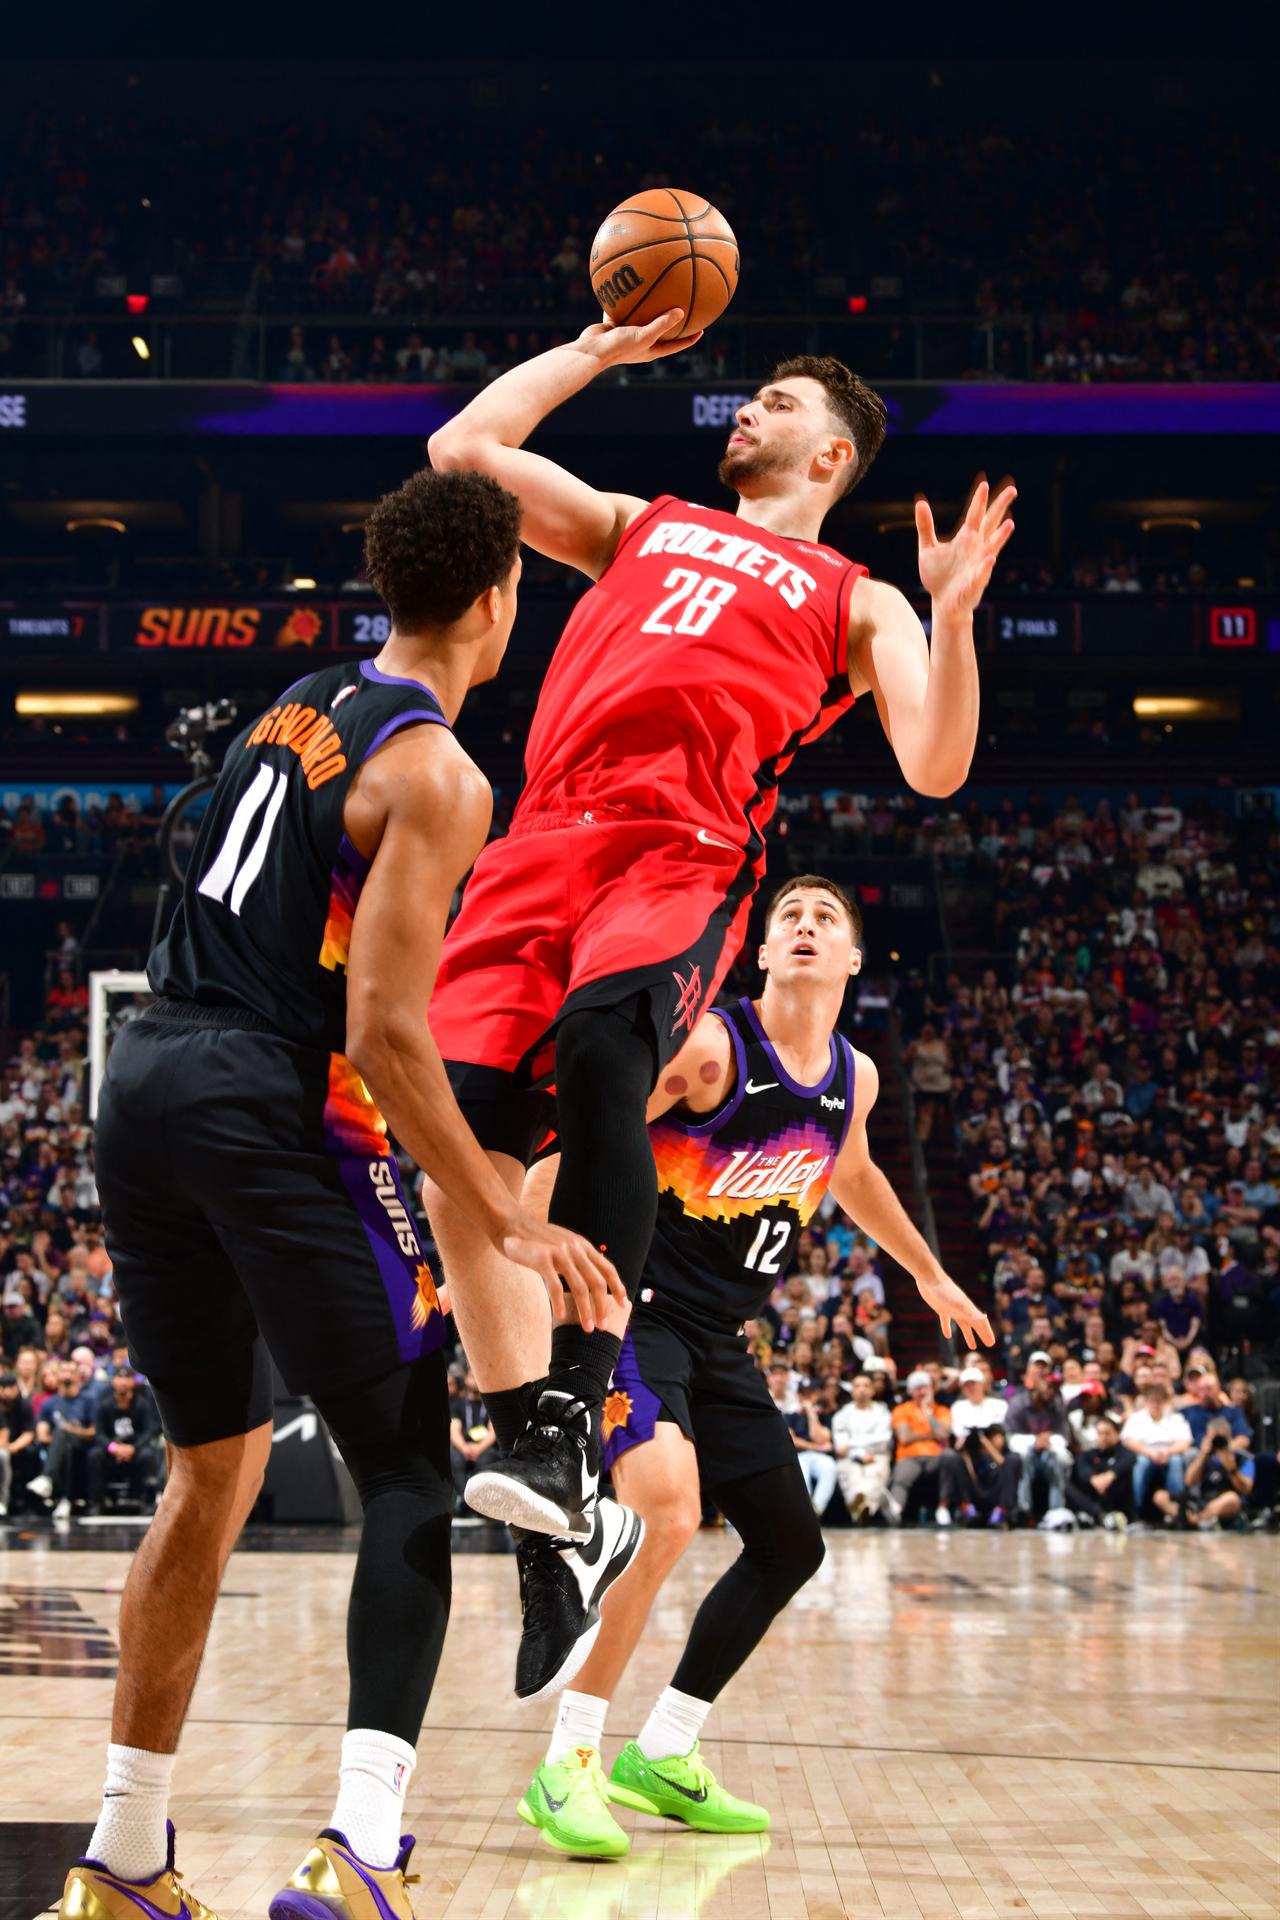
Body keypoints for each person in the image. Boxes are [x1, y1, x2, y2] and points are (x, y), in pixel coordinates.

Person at [56, 470, 630, 1920]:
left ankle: (125, 1859)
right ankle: (361, 1847)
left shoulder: (299, 700)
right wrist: (502, 1213)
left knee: (211, 1469)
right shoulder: (438, 772)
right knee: (408, 1476)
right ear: (501, 601)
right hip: (265, 1101)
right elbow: (381, 1031)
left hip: (143, 1091)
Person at [423, 311, 1015, 1599]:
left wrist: (951, 615)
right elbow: (463, 449)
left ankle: (573, 1408)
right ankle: (544, 1472)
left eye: (778, 403)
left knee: (600, 1046)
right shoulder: (643, 522)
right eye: (751, 396)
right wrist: (593, 351)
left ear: (829, 457)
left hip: (677, 851)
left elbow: (935, 763)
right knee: (454, 1162)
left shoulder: (857, 600)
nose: (745, 410)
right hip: (538, 845)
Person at [508, 875, 991, 1857]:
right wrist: (516, 1234)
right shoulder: (710, 1048)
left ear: (853, 961)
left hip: (720, 1336)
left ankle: (665, 1751)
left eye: (827, 920)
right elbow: (587, 1134)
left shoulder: (852, 1077)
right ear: (760, 955)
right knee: (667, 1511)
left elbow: (847, 1169)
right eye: (788, 919)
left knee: (789, 1547)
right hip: (632, 1313)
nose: (806, 927)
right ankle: (567, 1764)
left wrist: (929, 1275)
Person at [939, 1364, 1018, 1526]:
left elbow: (999, 1437)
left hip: (995, 1453)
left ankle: (1002, 1510)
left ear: (983, 1385)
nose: (970, 1388)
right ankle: (966, 1506)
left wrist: (983, 1439)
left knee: (1014, 1460)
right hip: (970, 1456)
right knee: (950, 1457)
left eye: (973, 1383)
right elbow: (962, 1442)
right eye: (966, 1385)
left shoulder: (998, 1404)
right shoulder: (958, 1407)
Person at [1005, 1355, 1074, 1528]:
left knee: (1056, 1459)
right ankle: (1024, 1509)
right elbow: (1010, 1436)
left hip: (1048, 1453)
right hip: (1025, 1451)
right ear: (1035, 1386)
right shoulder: (1018, 1403)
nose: (1051, 1391)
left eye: (1054, 1388)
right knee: (1024, 1458)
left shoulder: (1056, 1404)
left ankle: (1055, 1512)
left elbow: (1063, 1436)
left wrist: (1048, 1440)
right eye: (1048, 1387)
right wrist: (1034, 1441)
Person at [86, 1365, 161, 1513]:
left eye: (126, 1378)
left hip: (134, 1451)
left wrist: (133, 1448)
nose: (123, 1382)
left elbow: (148, 1432)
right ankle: (96, 1502)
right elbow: (99, 1434)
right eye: (119, 1378)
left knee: (149, 1454)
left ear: (133, 1382)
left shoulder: (142, 1405)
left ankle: (146, 1501)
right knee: (94, 1455)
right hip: (112, 1451)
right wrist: (114, 1448)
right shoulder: (104, 1406)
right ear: (113, 1381)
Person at [1120, 1380, 1194, 1520]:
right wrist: (1150, 1453)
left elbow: (1185, 1441)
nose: (1155, 1404)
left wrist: (1168, 1452)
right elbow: (1127, 1440)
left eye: (1159, 1401)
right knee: (1141, 1464)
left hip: (1170, 1454)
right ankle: (1138, 1510)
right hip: (1144, 1454)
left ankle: (1175, 1507)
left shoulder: (1176, 1418)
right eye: (1152, 1401)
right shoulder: (1137, 1418)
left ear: (1165, 1401)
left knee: (1176, 1462)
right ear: (1146, 1401)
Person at [832, 1370, 895, 1520]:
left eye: (866, 1386)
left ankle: (860, 1506)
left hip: (877, 1456)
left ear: (873, 1390)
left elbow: (883, 1441)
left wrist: (853, 1445)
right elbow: (841, 1446)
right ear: (852, 1391)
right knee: (851, 1472)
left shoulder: (882, 1412)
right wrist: (859, 1454)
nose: (862, 1389)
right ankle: (863, 1506)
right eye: (858, 1386)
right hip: (850, 1457)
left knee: (875, 1472)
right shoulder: (841, 1415)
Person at [890, 1370, 952, 1522]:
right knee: (901, 1478)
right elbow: (904, 1437)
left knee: (951, 1458)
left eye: (925, 1387)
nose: (922, 1392)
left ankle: (943, 1509)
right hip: (909, 1456)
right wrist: (933, 1434)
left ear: (932, 1389)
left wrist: (928, 1414)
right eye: (918, 1388)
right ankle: (894, 1512)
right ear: (910, 1391)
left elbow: (943, 1435)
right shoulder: (901, 1410)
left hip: (935, 1456)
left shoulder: (941, 1410)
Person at [0, 1367, 37, 1517]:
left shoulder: (24, 1406)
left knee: (29, 1454)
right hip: (3, 1445)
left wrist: (12, 1447)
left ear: (16, 1388)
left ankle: (21, 1500)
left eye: (11, 1388)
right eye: (3, 1388)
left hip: (17, 1445)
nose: (7, 1392)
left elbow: (29, 1433)